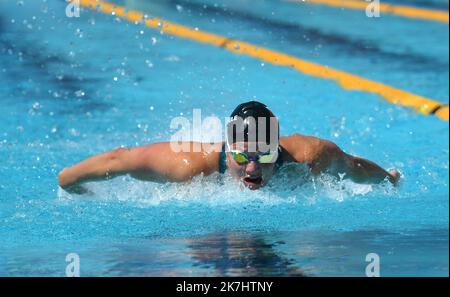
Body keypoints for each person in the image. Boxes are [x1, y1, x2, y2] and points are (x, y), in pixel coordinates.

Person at [58, 101, 400, 193]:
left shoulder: (310, 156)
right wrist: (69, 181)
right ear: (227, 147)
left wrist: (388, 179)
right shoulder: (192, 165)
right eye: (241, 156)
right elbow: (122, 159)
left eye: (264, 155)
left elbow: (353, 167)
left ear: (277, 148)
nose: (252, 169)